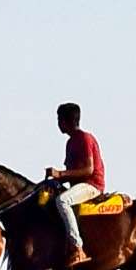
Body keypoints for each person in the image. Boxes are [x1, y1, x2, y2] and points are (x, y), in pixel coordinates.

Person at [40, 102, 106, 248]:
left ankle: (77, 246)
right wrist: (55, 178)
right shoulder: (70, 142)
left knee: (62, 201)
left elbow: (89, 170)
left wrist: (60, 173)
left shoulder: (85, 138)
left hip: (92, 185)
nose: (58, 123)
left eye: (59, 119)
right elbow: (72, 173)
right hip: (77, 185)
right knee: (43, 191)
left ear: (66, 121)